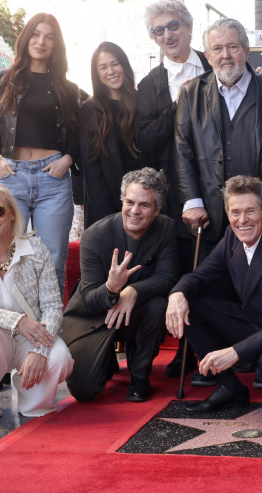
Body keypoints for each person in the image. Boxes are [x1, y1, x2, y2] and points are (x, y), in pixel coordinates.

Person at [166, 175, 262, 415]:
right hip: (254, 323)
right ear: (227, 213)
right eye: (235, 212)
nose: (242, 220)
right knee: (190, 305)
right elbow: (199, 276)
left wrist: (235, 352)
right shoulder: (230, 238)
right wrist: (177, 294)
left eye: (250, 211)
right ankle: (230, 388)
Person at [136, 0, 211, 379]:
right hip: (173, 192)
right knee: (182, 266)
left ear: (188, 26)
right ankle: (185, 347)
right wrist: (178, 104)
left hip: (216, 187)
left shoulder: (214, 63)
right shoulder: (149, 85)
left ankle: (211, 345)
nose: (167, 34)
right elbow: (145, 139)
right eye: (159, 30)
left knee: (212, 267)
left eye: (173, 26)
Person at [0, 184, 73, 421]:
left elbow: (52, 307)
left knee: (59, 357)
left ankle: (32, 402)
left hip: (31, 338)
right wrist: (18, 322)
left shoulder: (36, 250)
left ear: (11, 213)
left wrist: (40, 349)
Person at [61, 168, 179, 403]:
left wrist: (132, 290)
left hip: (138, 312)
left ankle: (139, 376)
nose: (135, 211)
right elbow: (90, 299)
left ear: (156, 210)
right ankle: (106, 359)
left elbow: (168, 277)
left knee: (158, 305)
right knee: (86, 390)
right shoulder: (94, 236)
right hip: (94, 316)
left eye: (144, 205)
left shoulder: (165, 228)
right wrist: (112, 289)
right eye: (130, 202)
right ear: (122, 201)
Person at [0, 13, 80, 293]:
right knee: (6, 257)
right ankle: (14, 329)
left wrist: (67, 159)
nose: (41, 42)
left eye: (49, 37)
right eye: (36, 34)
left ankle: (49, 329)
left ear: (56, 44)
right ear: (25, 38)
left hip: (53, 179)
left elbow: (77, 134)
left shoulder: (68, 89)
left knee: (53, 258)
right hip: (11, 177)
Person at [174, 18, 262, 250]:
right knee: (213, 283)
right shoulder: (191, 93)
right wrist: (192, 201)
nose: (225, 55)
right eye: (217, 48)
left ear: (246, 51)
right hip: (210, 216)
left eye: (232, 47)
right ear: (208, 56)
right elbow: (182, 150)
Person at [79, 42, 142, 228]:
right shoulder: (89, 110)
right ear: (97, 73)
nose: (111, 71)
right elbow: (91, 168)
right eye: (103, 67)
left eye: (115, 64)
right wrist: (108, 218)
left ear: (124, 65)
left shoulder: (142, 102)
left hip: (142, 199)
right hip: (105, 202)